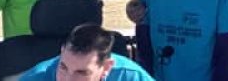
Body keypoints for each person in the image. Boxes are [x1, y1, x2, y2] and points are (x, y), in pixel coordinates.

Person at [19, 24, 154, 81]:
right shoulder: (35, 78)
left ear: (107, 67)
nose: (68, 79)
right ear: (62, 51)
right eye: (63, 67)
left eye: (81, 72)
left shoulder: (130, 77)